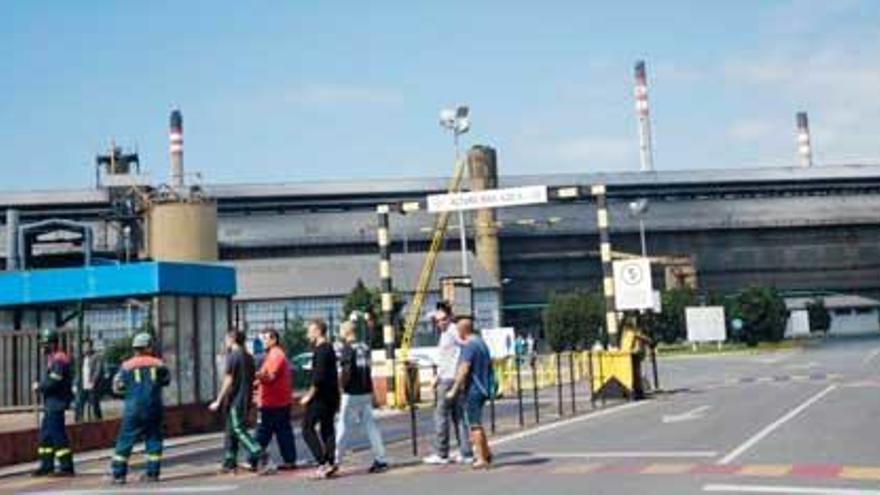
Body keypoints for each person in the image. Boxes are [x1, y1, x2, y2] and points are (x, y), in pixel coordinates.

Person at [109, 333, 170, 484]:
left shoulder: (126, 366)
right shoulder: (159, 364)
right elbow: (166, 380)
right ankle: (153, 473)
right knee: (153, 438)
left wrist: (130, 391)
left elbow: (116, 388)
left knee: (125, 440)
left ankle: (118, 474)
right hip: (153, 407)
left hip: (133, 408)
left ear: (135, 348)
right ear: (149, 347)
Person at [210, 329, 270, 474]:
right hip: (245, 397)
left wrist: (218, 400)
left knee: (237, 429)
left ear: (232, 339)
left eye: (226, 339)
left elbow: (228, 379)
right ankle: (229, 462)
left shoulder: (234, 356)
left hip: (236, 399)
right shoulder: (248, 357)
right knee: (231, 430)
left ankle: (259, 452)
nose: (225, 342)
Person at [335, 321, 388, 474]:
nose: (340, 333)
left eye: (340, 329)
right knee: (371, 425)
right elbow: (369, 368)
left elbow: (346, 370)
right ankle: (381, 458)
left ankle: (336, 460)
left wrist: (342, 387)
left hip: (351, 392)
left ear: (346, 332)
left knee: (343, 426)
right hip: (365, 391)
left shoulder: (347, 348)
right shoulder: (364, 347)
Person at [423, 302, 472, 465]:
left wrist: (439, 376)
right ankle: (466, 452)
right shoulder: (447, 332)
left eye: (443, 319)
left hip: (448, 380)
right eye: (437, 321)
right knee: (458, 417)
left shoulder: (452, 331)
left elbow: (464, 344)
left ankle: (442, 453)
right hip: (452, 378)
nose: (440, 323)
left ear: (449, 317)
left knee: (441, 416)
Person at [446, 317, 494, 469]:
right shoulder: (481, 343)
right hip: (484, 387)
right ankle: (486, 453)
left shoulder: (469, 346)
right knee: (477, 422)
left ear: (462, 331)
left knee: (474, 425)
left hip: (473, 389)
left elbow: (464, 368)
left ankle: (480, 458)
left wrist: (454, 389)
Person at [32, 328, 75, 477]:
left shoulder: (59, 359)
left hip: (57, 403)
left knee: (57, 435)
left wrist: (40, 386)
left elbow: (54, 381)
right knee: (46, 435)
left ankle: (66, 466)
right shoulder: (53, 359)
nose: (42, 347)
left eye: (45, 344)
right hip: (51, 403)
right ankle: (46, 465)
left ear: (53, 343)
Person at [300, 318, 340, 479]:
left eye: (310, 330)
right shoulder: (329, 348)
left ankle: (321, 463)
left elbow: (319, 377)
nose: (308, 334)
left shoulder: (321, 350)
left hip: (321, 397)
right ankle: (330, 462)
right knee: (327, 428)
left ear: (317, 331)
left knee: (307, 428)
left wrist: (308, 396)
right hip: (331, 395)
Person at [253, 328, 298, 471]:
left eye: (266, 339)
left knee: (263, 431)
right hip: (279, 400)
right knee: (281, 431)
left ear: (274, 340)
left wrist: (256, 376)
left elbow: (270, 377)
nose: (263, 342)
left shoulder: (275, 355)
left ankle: (253, 459)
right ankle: (289, 460)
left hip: (272, 402)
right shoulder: (274, 355)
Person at [75, 338, 104, 422]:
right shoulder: (81, 358)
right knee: (79, 404)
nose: (85, 348)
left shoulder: (96, 356)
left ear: (91, 347)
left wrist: (93, 381)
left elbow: (98, 371)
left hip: (92, 385)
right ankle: (78, 421)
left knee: (94, 404)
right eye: (84, 346)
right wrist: (75, 383)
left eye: (87, 346)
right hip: (82, 385)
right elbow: (78, 372)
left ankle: (98, 421)